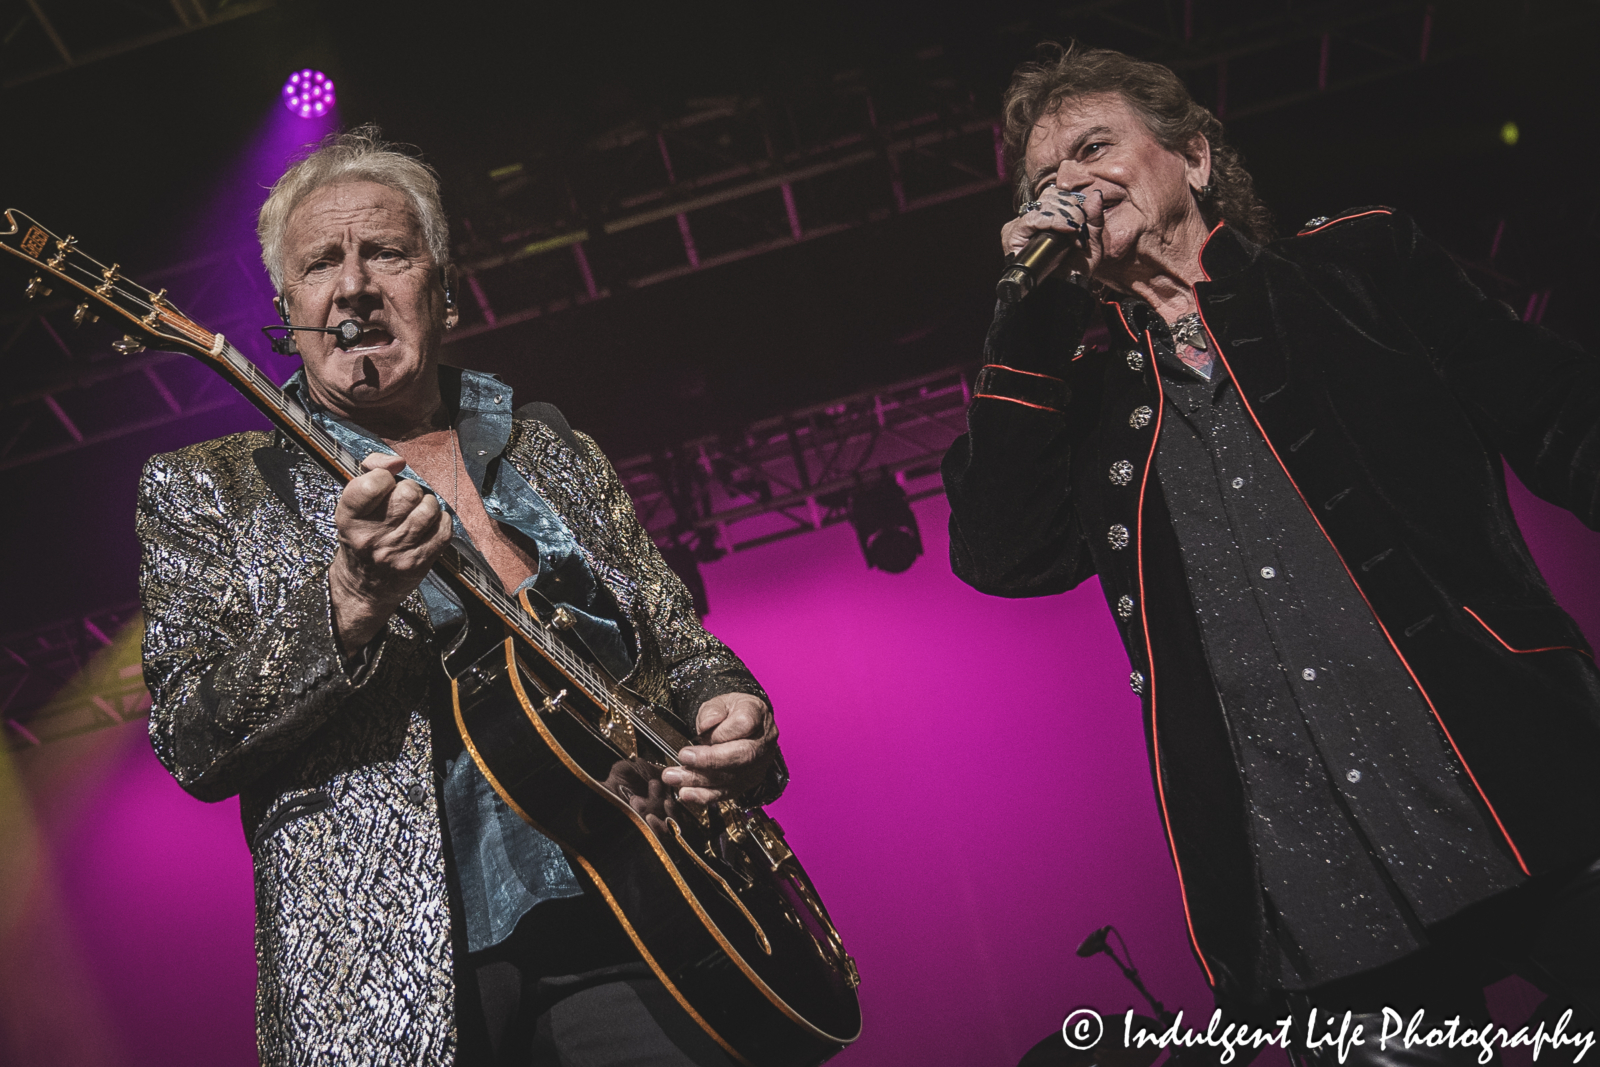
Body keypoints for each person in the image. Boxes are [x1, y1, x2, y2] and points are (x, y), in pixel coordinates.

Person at [942, 44, 1600, 1066]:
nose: (1066, 182)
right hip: (1313, 864)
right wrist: (1024, 321)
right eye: (1042, 177)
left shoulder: (1356, 268)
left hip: (1515, 772)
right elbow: (998, 550)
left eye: (1092, 147)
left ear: (1194, 157)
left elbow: (1559, 411)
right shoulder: (1084, 405)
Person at [137, 126, 785, 1067]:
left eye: (386, 253)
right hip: (391, 974)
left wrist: (726, 703)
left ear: (442, 289)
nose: (354, 283)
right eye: (321, 263)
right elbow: (190, 736)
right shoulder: (211, 489)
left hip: (640, 913)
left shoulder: (551, 448)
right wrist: (346, 601)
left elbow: (675, 636)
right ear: (289, 308)